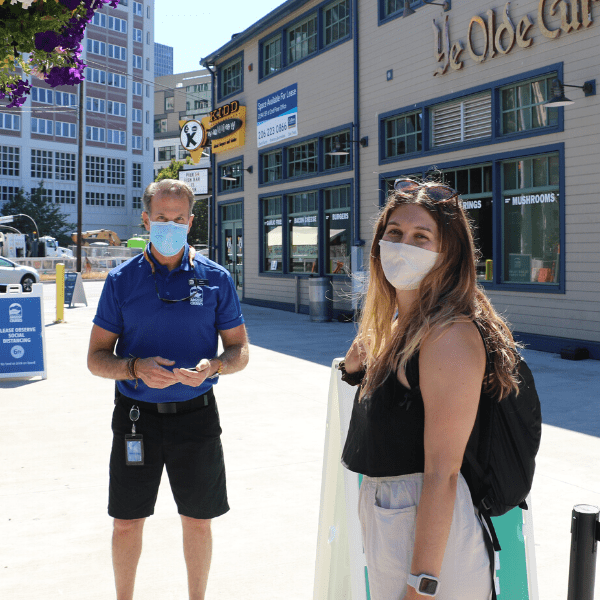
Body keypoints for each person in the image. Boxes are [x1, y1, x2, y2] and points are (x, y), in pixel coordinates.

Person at [339, 178, 521, 600]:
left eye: (422, 237)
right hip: (394, 523)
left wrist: (421, 586)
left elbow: (444, 473)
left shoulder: (448, 335)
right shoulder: (400, 327)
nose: (404, 246)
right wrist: (355, 364)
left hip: (431, 544)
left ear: (447, 253)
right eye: (395, 234)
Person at [87, 179, 249, 600]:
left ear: (191, 222)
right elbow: (96, 358)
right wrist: (134, 367)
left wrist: (214, 365)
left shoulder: (216, 279)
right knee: (126, 521)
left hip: (197, 416)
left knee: (198, 519)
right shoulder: (121, 281)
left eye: (179, 220)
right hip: (136, 420)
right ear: (146, 219)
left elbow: (240, 350)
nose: (170, 227)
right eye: (162, 219)